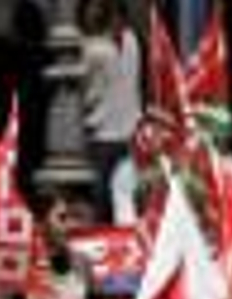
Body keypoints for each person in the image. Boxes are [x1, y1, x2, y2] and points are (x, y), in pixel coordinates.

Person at [79, 0, 142, 220]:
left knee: (102, 201)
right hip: (127, 132)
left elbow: (83, 92)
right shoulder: (132, 41)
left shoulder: (92, 49)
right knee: (122, 199)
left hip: (104, 135)